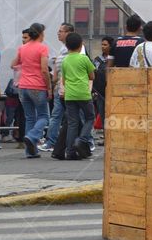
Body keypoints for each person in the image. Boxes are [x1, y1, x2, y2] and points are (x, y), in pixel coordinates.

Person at [11, 23, 51, 157]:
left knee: (30, 118)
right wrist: (49, 87)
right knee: (44, 116)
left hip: (23, 86)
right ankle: (33, 136)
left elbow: (13, 64)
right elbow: (44, 70)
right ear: (40, 33)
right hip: (37, 86)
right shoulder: (43, 48)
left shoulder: (22, 48)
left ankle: (30, 151)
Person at [61, 32, 96, 159]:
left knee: (72, 123)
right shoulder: (84, 59)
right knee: (90, 117)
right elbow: (92, 76)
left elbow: (63, 80)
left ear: (66, 46)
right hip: (83, 93)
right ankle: (82, 140)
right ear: (81, 45)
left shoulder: (65, 60)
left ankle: (69, 151)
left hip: (69, 95)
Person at [43, 22, 75, 152]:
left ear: (69, 33)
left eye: (61, 31)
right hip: (60, 87)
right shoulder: (63, 48)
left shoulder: (75, 49)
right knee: (57, 115)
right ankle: (51, 141)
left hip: (69, 87)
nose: (58, 33)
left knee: (74, 115)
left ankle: (85, 140)